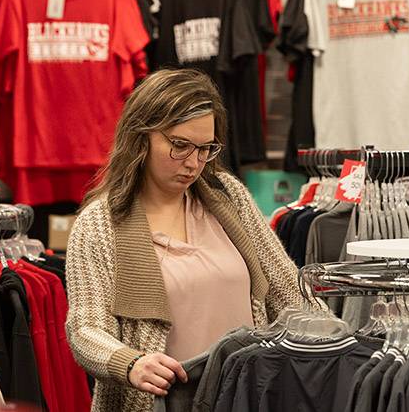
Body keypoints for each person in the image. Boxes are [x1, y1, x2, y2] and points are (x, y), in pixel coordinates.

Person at [65, 69, 304, 412]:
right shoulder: (100, 225)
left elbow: (287, 291)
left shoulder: (228, 198)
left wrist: (333, 341)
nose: (193, 163)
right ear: (141, 136)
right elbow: (86, 328)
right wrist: (130, 363)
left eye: (205, 148)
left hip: (247, 398)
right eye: (179, 146)